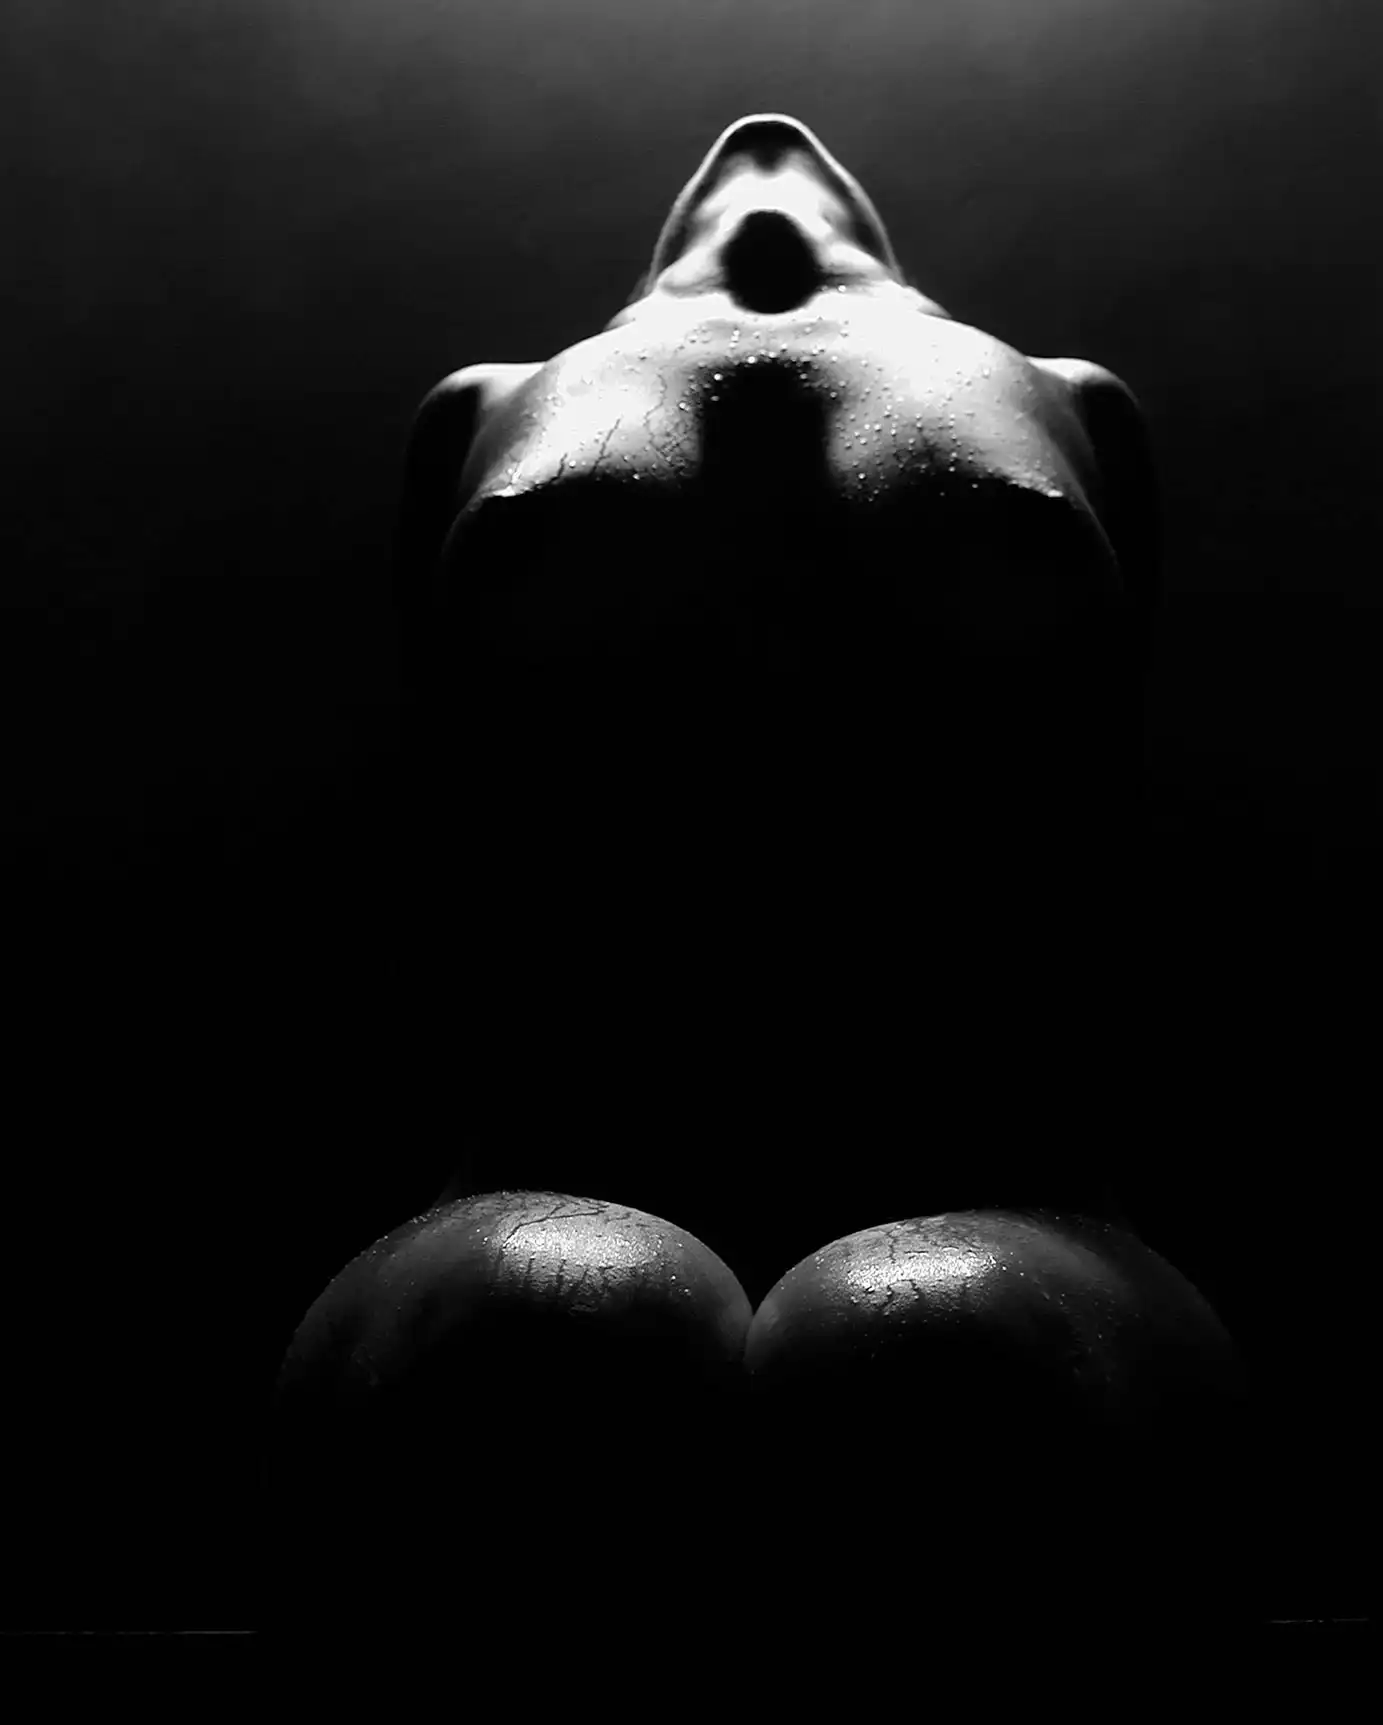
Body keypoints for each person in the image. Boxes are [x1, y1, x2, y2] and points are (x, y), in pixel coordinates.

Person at [386, 114, 1162, 1225]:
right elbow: (425, 814)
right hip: (559, 1137)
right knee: (543, 1302)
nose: (764, 131)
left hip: (995, 1144)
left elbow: (1123, 810)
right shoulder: (476, 405)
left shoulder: (1078, 400)